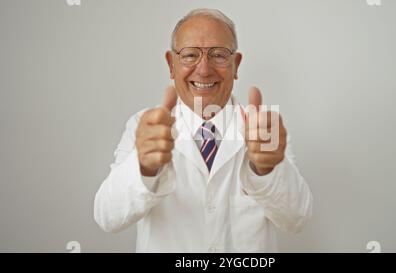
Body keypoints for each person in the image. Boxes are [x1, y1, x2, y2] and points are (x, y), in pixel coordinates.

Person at [94, 8, 313, 252]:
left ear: (236, 64)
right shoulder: (143, 126)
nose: (204, 69)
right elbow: (107, 218)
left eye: (218, 55)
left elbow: (297, 219)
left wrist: (266, 171)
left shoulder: (264, 130)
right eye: (189, 55)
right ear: (171, 63)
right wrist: (144, 167)